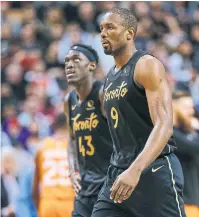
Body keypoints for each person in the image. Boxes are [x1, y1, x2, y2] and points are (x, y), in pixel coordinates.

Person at [92, 8, 186, 217]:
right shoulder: (109, 78)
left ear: (130, 33)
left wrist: (135, 170)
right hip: (118, 172)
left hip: (153, 170)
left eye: (110, 27)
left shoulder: (146, 65)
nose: (103, 33)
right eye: (101, 29)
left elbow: (164, 125)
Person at [64, 43, 113, 217]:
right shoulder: (69, 100)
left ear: (92, 65)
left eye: (76, 59)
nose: (70, 65)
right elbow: (71, 139)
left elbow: (125, 136)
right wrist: (73, 170)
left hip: (109, 185)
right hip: (85, 187)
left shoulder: (102, 93)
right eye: (67, 61)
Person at [32, 113, 75, 217]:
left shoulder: (41, 146)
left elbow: (35, 185)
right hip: (69, 202)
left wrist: (40, 205)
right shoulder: (75, 146)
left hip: (47, 202)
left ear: (54, 126)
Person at [173, 91, 199, 217]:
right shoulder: (168, 133)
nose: (191, 112)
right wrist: (197, 131)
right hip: (182, 202)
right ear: (173, 107)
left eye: (192, 108)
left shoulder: (188, 133)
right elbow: (195, 148)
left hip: (194, 200)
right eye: (186, 108)